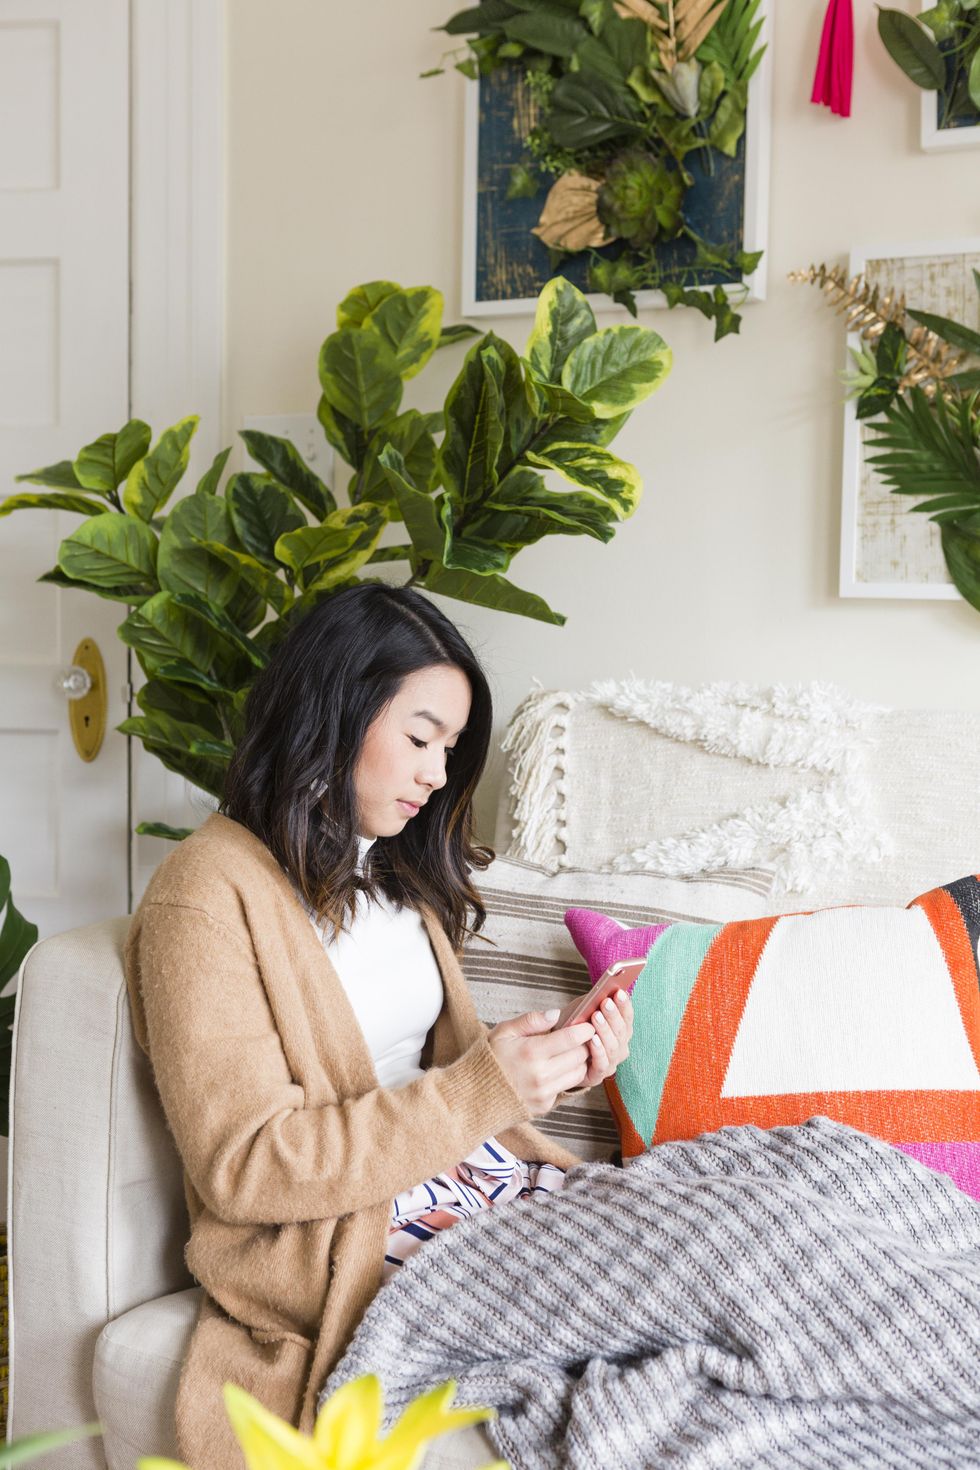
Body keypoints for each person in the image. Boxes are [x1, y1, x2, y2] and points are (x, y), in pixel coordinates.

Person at [124, 582, 634, 1470]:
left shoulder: (390, 871)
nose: (439, 774)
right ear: (335, 709)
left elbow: (439, 1075)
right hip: (348, 1231)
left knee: (779, 1195)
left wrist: (557, 1064)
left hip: (469, 1184)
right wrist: (486, 1089)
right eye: (420, 737)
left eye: (450, 747)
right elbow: (245, 1166)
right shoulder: (204, 895)